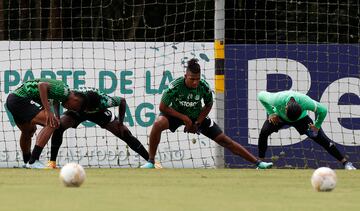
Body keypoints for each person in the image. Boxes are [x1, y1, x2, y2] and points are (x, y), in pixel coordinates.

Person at [141, 58, 273, 169]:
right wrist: (184, 118)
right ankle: (151, 161)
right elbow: (162, 107)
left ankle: (258, 163)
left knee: (224, 140)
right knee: (158, 123)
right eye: (192, 79)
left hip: (197, 116)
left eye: (197, 79)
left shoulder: (203, 86)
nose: (195, 82)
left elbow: (209, 104)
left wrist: (197, 122)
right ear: (185, 76)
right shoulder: (175, 86)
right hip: (176, 115)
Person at [47, 87, 149, 168]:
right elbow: (57, 98)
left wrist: (121, 124)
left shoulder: (104, 101)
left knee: (125, 133)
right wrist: (57, 117)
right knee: (58, 127)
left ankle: (151, 161)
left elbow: (122, 101)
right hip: (78, 110)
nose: (87, 110)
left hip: (98, 113)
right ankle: (52, 163)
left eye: (89, 109)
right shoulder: (72, 97)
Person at [257, 90, 356, 170]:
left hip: (302, 120)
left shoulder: (305, 101)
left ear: (301, 107)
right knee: (264, 132)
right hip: (279, 117)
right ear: (285, 108)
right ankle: (260, 164)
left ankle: (346, 163)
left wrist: (316, 126)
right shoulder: (277, 99)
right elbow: (261, 95)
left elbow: (323, 110)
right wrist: (271, 113)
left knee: (321, 138)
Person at [6, 78, 87, 169]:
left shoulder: (63, 91)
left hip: (12, 99)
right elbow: (42, 85)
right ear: (76, 100)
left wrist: (57, 116)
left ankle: (27, 161)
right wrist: (48, 111)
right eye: (75, 107)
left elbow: (56, 100)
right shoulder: (63, 90)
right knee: (52, 123)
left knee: (28, 131)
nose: (70, 109)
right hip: (21, 99)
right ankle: (33, 161)